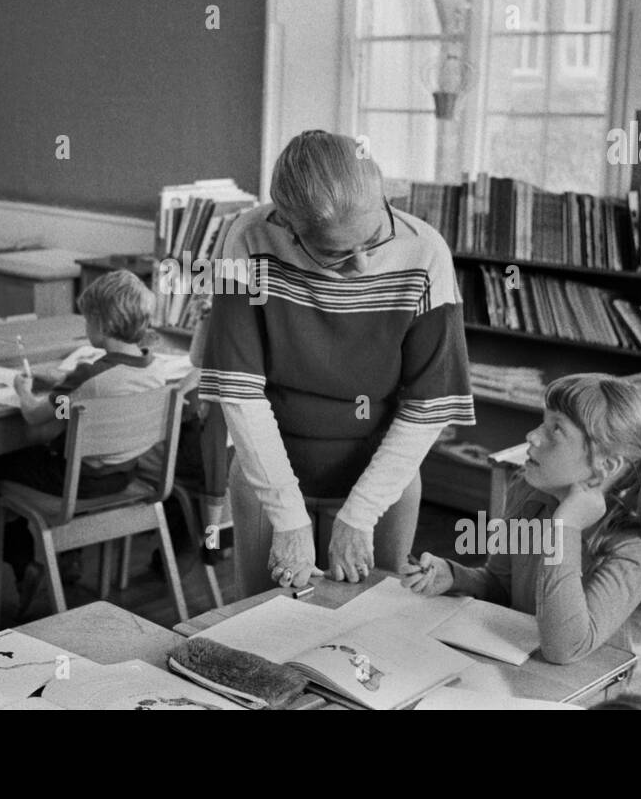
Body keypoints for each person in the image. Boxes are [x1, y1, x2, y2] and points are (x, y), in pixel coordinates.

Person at [197, 130, 475, 597]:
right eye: (336, 253)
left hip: (383, 479)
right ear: (286, 225)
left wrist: (361, 512)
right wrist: (286, 517)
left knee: (371, 631)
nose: (364, 264)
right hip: (267, 476)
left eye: (373, 237)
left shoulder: (426, 251)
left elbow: (428, 406)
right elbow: (240, 392)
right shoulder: (247, 237)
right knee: (262, 629)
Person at [400, 373, 641, 709]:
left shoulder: (637, 547)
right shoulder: (529, 493)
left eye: (556, 430)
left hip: (613, 700)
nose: (532, 435)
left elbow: (565, 647)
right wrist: (455, 576)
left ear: (604, 467)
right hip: (530, 681)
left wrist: (564, 529)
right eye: (543, 422)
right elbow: (502, 584)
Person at [0, 270, 169, 607]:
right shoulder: (155, 372)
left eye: (87, 320)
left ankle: (22, 565)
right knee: (58, 453)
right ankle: (68, 559)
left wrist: (23, 390)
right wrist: (65, 383)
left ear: (102, 324)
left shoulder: (87, 377)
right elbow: (78, 401)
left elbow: (34, 414)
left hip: (76, 485)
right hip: (124, 477)